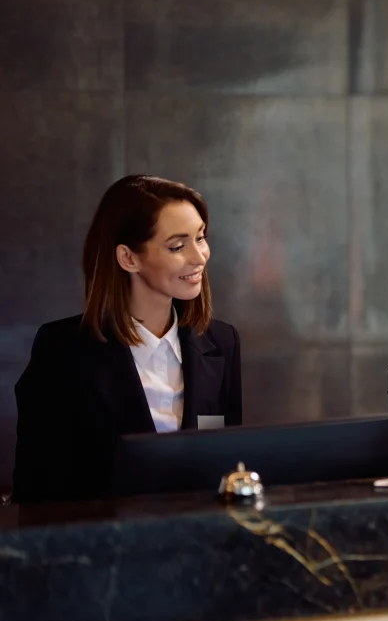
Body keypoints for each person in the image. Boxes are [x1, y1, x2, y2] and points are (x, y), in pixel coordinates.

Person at [14, 175, 243, 504]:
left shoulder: (222, 342)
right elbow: (37, 489)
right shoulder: (62, 351)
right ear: (128, 258)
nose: (199, 257)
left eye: (201, 238)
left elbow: (228, 469)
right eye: (178, 246)